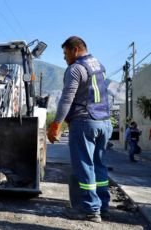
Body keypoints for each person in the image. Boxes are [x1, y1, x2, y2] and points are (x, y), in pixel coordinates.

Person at [47, 36, 113, 223]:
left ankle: (90, 209)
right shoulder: (99, 66)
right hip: (104, 122)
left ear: (75, 50)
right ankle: (103, 205)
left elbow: (67, 98)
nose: (65, 57)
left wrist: (56, 124)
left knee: (84, 166)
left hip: (85, 122)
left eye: (66, 53)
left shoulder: (76, 68)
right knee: (99, 165)